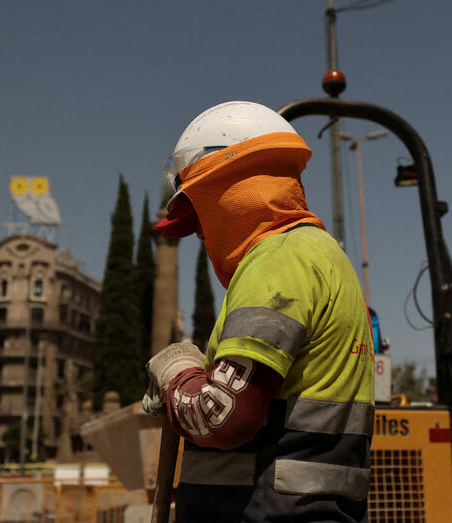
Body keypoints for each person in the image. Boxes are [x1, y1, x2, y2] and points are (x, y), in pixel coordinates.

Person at [145, 101, 376, 522]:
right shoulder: (321, 255)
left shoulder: (276, 260)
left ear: (225, 188)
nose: (197, 231)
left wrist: (176, 374)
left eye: (197, 211)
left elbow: (222, 417)